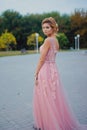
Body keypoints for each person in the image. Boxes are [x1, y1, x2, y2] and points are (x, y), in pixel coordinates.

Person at [33, 17, 87, 130]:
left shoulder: (48, 41)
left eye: (47, 27)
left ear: (53, 28)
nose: (45, 30)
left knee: (45, 96)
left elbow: (42, 59)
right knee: (53, 97)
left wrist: (36, 72)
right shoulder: (56, 40)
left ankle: (48, 124)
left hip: (46, 69)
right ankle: (53, 122)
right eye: (43, 28)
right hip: (53, 69)